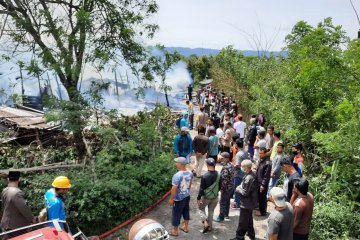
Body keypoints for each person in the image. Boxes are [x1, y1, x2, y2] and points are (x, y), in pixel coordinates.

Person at [230, 160, 257, 240]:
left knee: (243, 221)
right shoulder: (251, 174)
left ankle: (239, 237)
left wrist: (238, 188)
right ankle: (251, 235)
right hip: (249, 202)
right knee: (248, 220)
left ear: (245, 167)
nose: (241, 168)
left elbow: (245, 192)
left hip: (246, 203)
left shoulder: (249, 177)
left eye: (242, 167)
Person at [169, 157, 193, 236]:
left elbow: (174, 189)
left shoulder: (177, 175)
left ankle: (175, 231)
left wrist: (171, 199)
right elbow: (189, 185)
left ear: (180, 164)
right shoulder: (190, 172)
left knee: (176, 214)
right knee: (186, 211)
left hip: (179, 199)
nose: (176, 163)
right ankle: (186, 227)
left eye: (177, 162)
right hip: (187, 196)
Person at [197, 158, 220, 234]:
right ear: (214, 165)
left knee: (201, 208)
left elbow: (201, 189)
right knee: (211, 211)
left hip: (206, 197)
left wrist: (199, 198)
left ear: (207, 165)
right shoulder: (219, 175)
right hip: (215, 197)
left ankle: (206, 224)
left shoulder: (205, 176)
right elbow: (220, 186)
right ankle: (210, 227)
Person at [215, 152, 234, 222]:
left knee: (222, 202)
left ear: (226, 158)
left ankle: (221, 216)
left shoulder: (226, 168)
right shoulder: (231, 165)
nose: (221, 159)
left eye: (222, 158)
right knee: (227, 201)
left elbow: (224, 180)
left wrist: (221, 188)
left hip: (225, 188)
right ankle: (226, 214)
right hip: (231, 187)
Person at [232, 139, 249, 209]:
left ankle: (237, 203)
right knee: (242, 188)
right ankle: (241, 202)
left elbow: (237, 165)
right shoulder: (245, 152)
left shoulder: (239, 154)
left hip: (238, 174)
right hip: (244, 173)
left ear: (236, 145)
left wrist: (232, 165)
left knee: (237, 189)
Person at [255, 147, 272, 216]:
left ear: (265, 153)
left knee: (262, 198)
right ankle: (260, 208)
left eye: (261, 153)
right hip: (258, 182)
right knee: (259, 197)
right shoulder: (261, 160)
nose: (260, 154)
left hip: (262, 183)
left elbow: (266, 176)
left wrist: (263, 185)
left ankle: (263, 212)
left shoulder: (268, 163)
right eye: (259, 153)